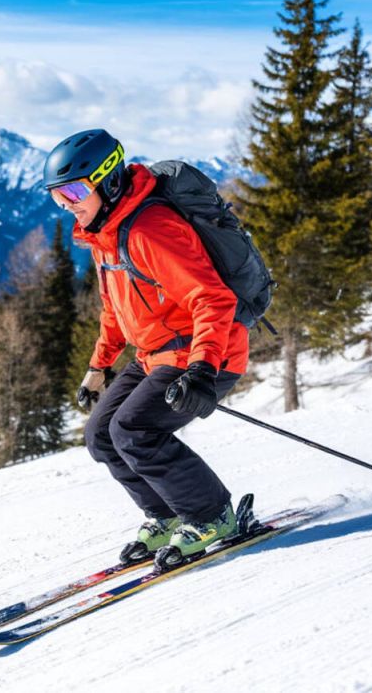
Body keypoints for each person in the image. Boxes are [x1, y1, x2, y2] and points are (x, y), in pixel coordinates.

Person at [43, 129, 250, 561]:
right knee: (100, 435)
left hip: (205, 351)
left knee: (134, 430)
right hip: (155, 353)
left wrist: (202, 369)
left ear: (108, 180)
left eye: (75, 191)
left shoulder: (151, 230)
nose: (68, 205)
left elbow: (212, 299)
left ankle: (212, 514)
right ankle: (170, 514)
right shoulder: (104, 234)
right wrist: (98, 367)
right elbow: (115, 310)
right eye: (57, 196)